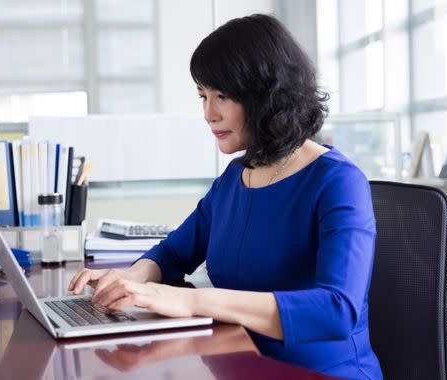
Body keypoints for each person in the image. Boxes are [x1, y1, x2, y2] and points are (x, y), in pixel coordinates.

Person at [69, 14, 383, 379]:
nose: (208, 113)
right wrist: (131, 280)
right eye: (203, 95)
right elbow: (174, 252)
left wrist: (190, 301)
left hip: (319, 372)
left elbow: (336, 309)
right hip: (239, 362)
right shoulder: (236, 177)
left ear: (267, 95)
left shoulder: (339, 181)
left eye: (223, 96)